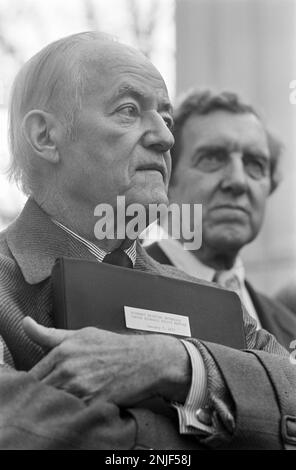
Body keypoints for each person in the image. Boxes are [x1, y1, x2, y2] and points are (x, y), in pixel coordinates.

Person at [0, 32, 295, 450]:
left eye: (166, 118)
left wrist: (176, 364)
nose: (165, 137)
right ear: (45, 136)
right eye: (128, 110)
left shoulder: (211, 298)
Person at [146, 89, 296, 350]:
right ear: (167, 178)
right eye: (212, 158)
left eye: (255, 164)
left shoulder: (288, 326)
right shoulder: (118, 284)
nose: (238, 181)